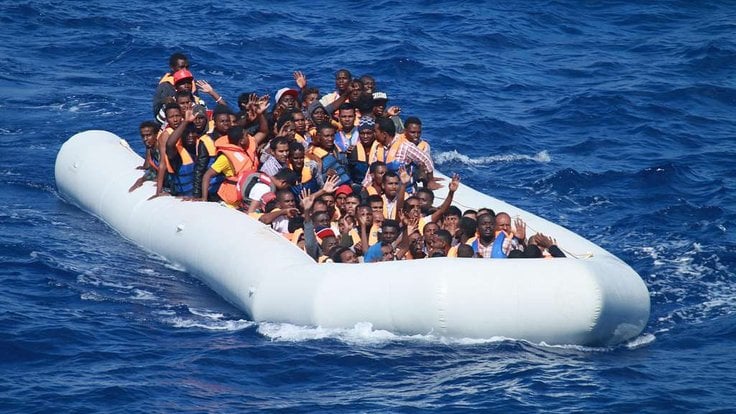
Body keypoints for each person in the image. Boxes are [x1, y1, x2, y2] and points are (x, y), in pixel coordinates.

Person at [365, 117, 440, 192]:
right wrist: (365, 186)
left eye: (375, 132)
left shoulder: (405, 146)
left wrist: (431, 180)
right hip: (385, 191)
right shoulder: (378, 147)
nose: (374, 134)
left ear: (384, 134)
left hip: (405, 191)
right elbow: (371, 171)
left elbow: (426, 160)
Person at [200, 126, 259, 207]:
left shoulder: (247, 151)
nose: (248, 137)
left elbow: (263, 132)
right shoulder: (225, 158)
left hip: (246, 197)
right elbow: (207, 175)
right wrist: (204, 198)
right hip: (230, 202)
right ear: (241, 141)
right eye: (246, 135)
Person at [129, 121, 161, 192]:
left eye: (148, 135)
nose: (145, 139)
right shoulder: (152, 147)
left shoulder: (161, 149)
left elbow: (164, 168)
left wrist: (160, 184)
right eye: (143, 136)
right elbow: (150, 168)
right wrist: (142, 179)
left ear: (156, 135)